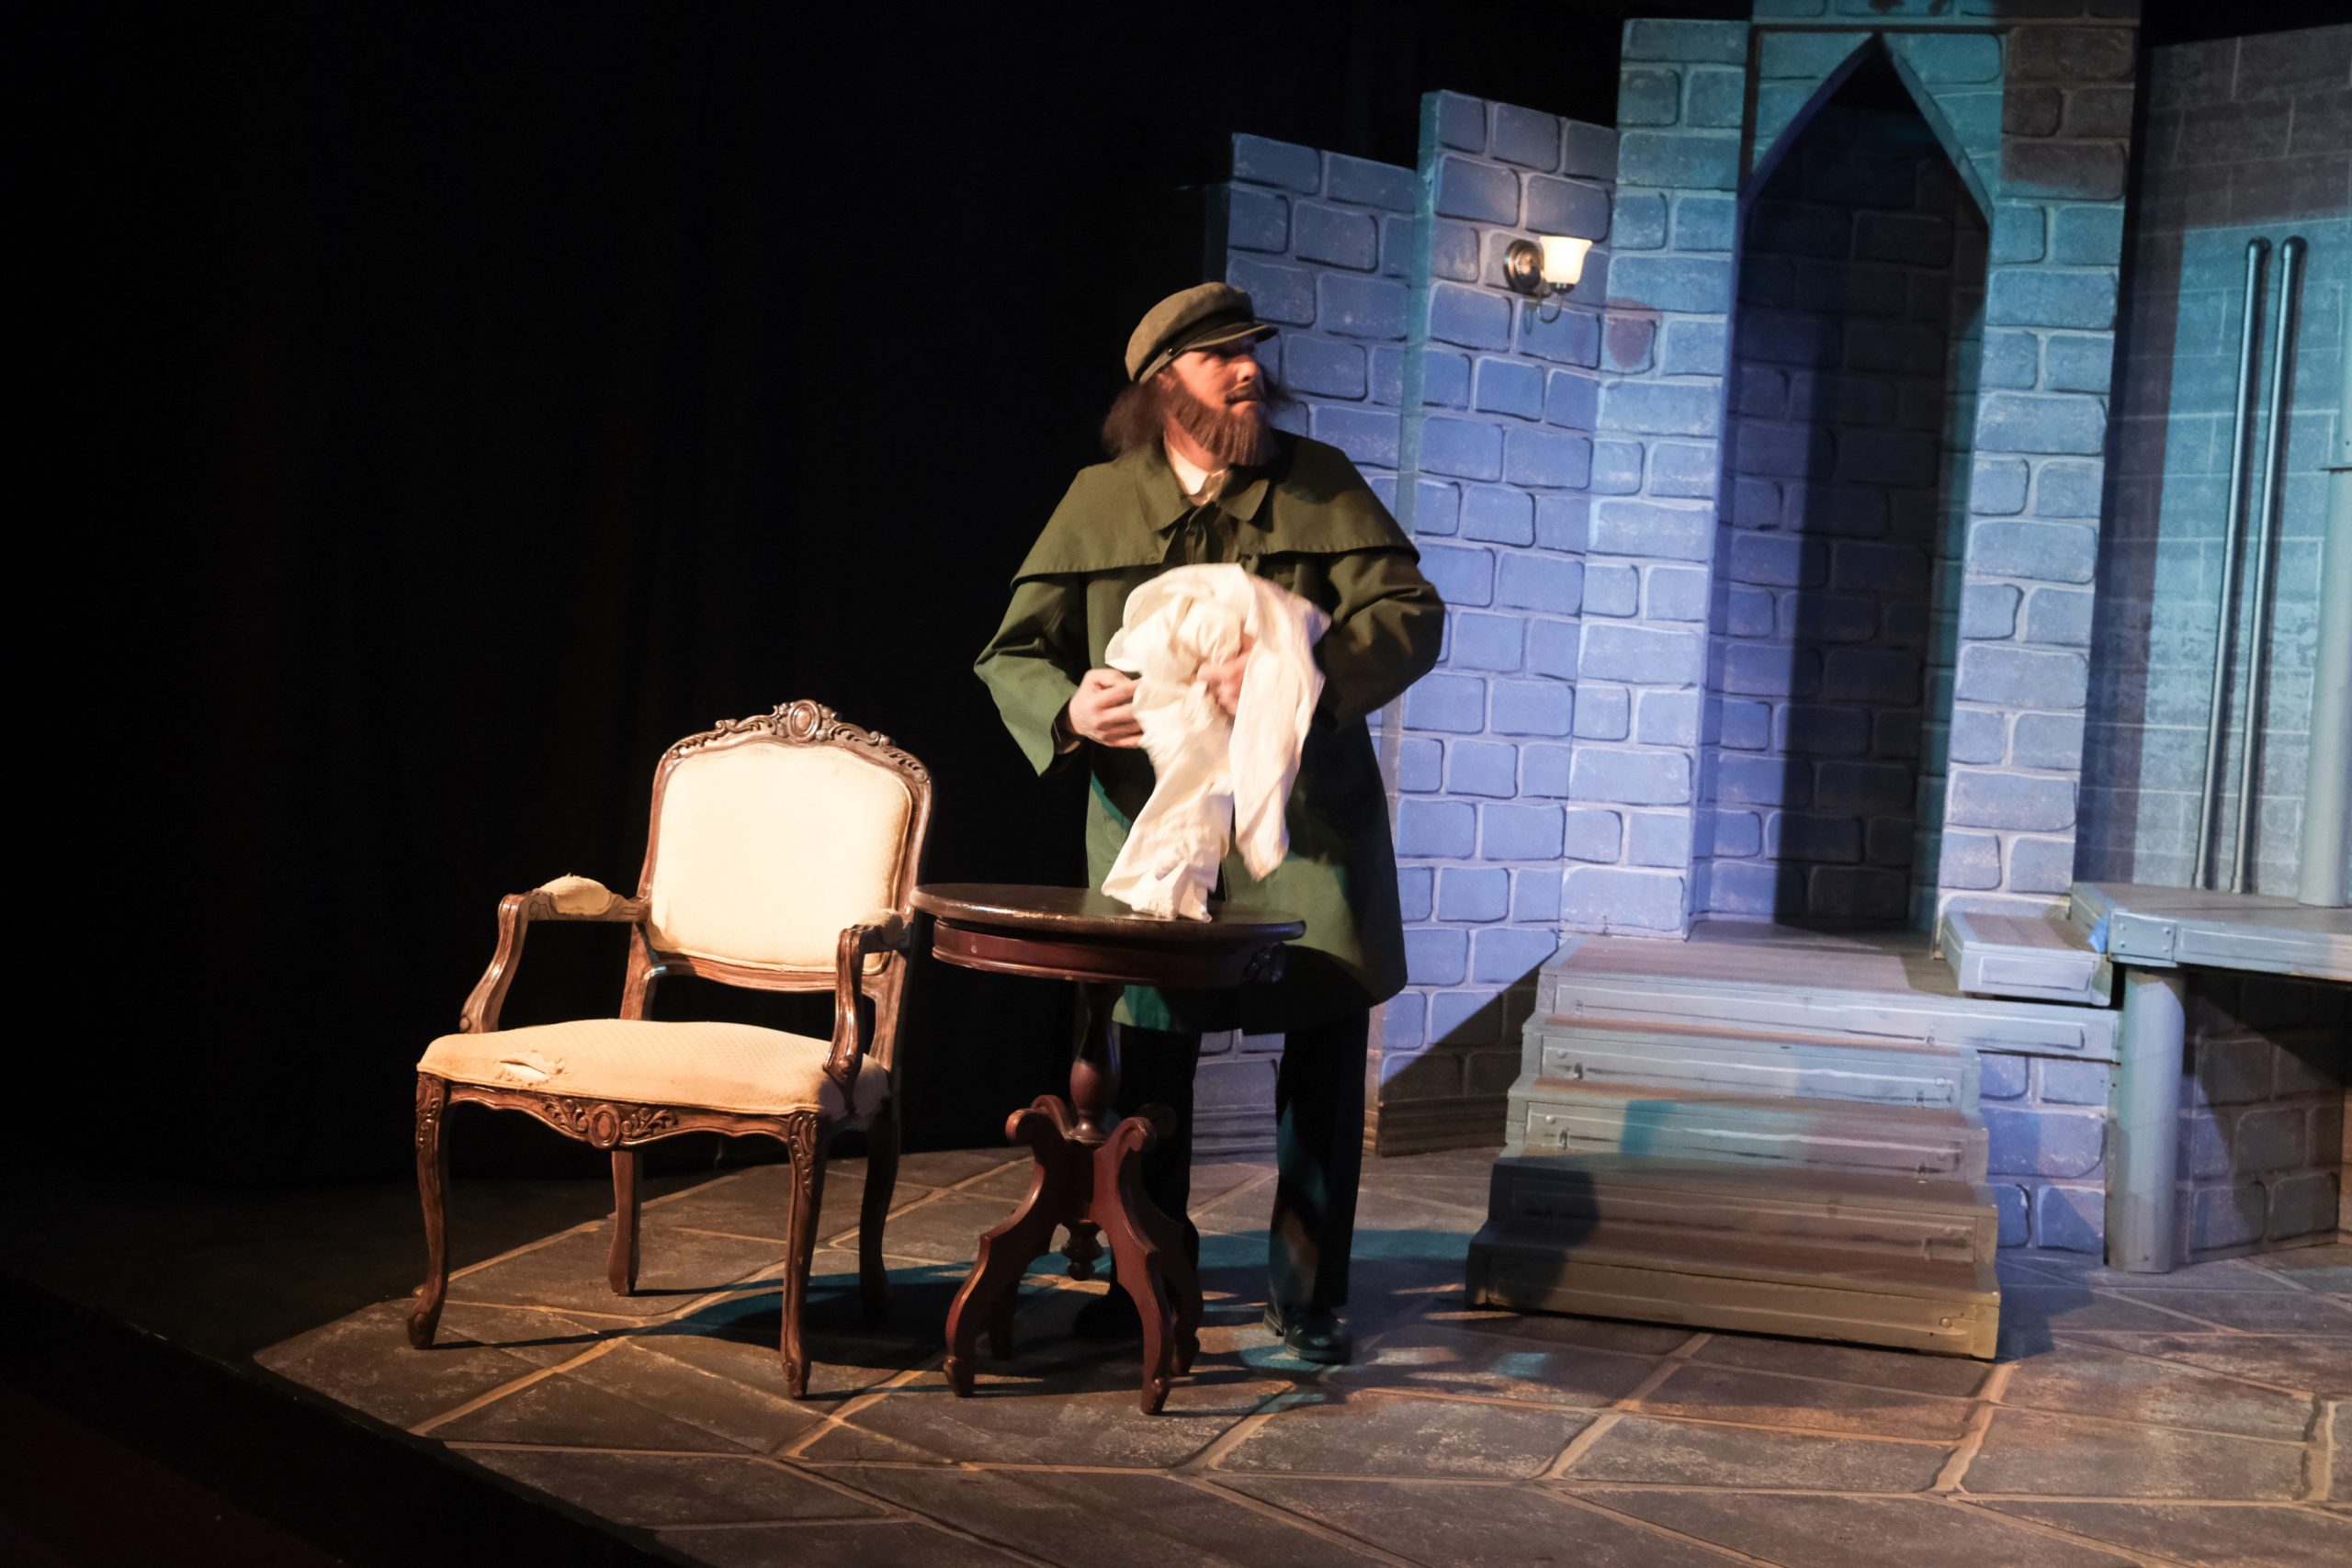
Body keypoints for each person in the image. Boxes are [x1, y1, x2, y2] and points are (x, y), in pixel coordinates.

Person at [974, 282, 1443, 1363]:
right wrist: (1071, 709)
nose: (1246, 371)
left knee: (1323, 1049)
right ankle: (1151, 1280)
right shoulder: (1101, 499)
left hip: (1302, 821)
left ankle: (1307, 1295)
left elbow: (1409, 615)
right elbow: (1014, 653)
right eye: (1219, 356)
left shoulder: (1319, 482)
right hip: (1154, 817)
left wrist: (1298, 673)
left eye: (1250, 351)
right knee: (1149, 1060)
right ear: (1162, 384)